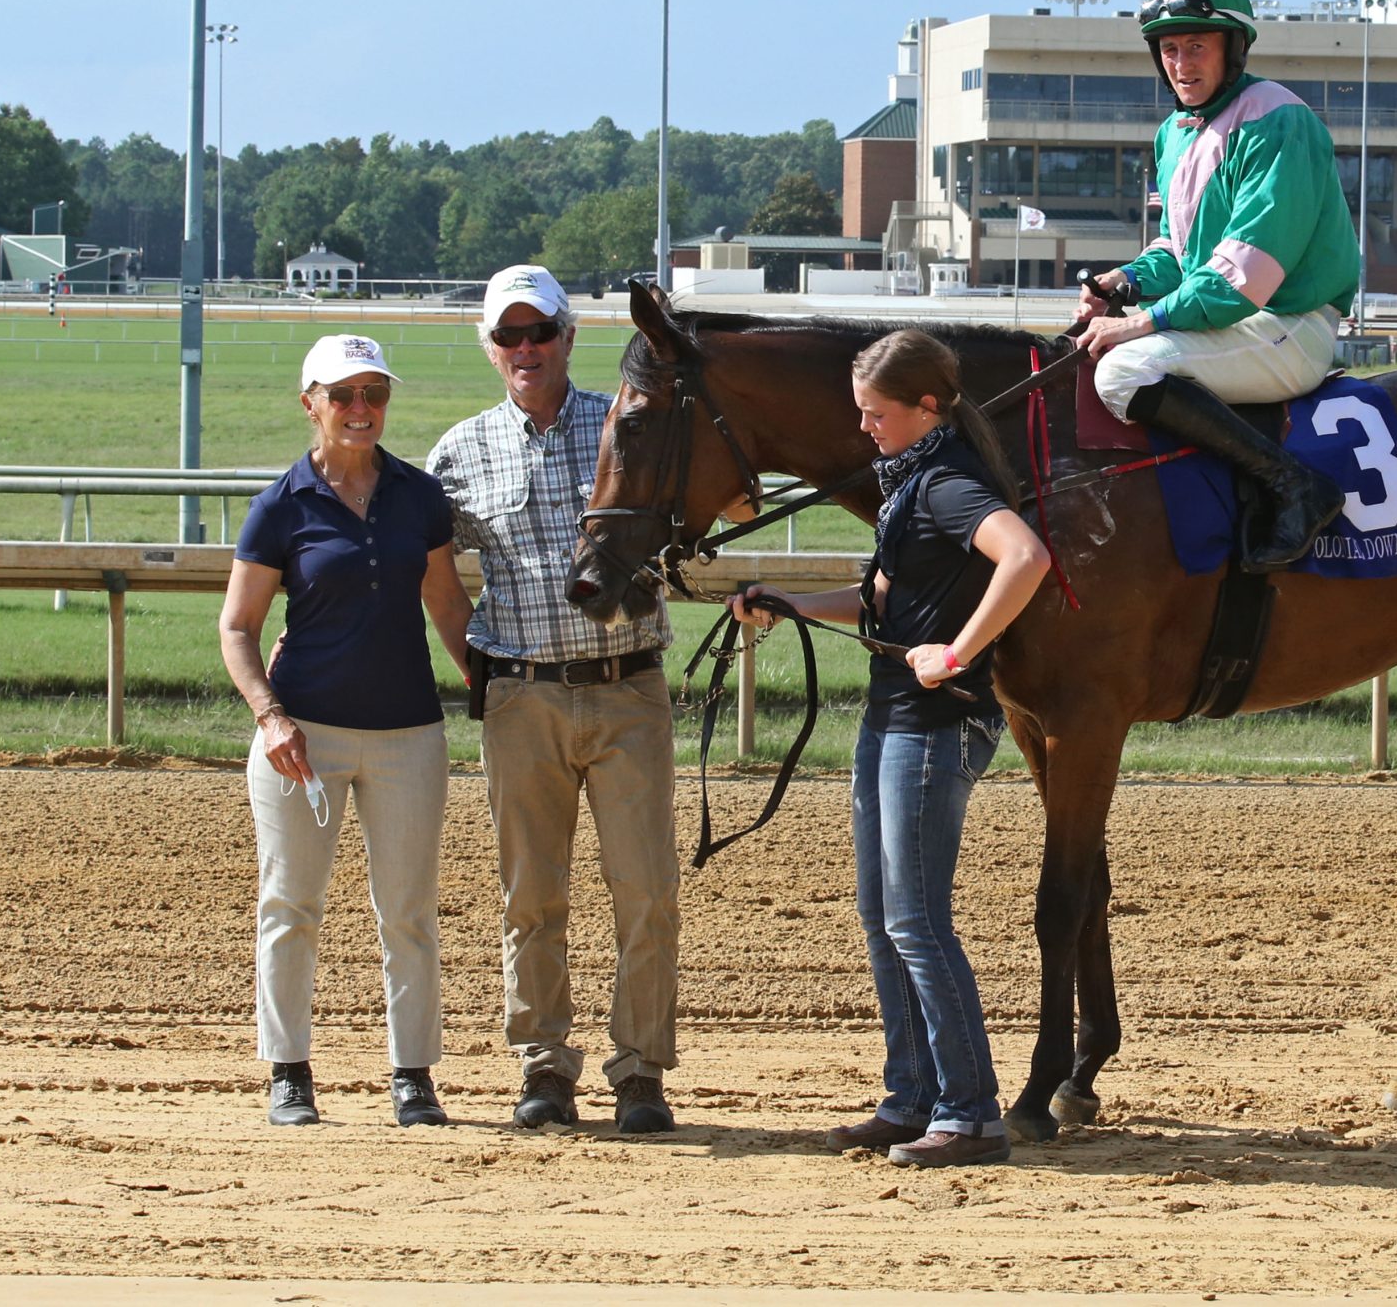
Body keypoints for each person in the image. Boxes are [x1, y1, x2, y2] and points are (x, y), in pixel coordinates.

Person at [732, 328, 1048, 1170]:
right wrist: (791, 602)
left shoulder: (947, 484)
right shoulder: (909, 480)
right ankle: (911, 1098)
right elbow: (878, 599)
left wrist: (961, 650)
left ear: (927, 408)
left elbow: (1026, 556)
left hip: (934, 726)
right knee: (883, 920)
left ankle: (972, 1112)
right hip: (892, 718)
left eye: (877, 413)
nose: (865, 426)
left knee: (916, 921)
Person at [426, 265, 679, 1135]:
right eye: (509, 336)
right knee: (531, 897)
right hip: (520, 700)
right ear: (491, 349)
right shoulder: (457, 453)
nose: (526, 348)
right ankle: (544, 1067)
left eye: (541, 332)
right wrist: (480, 668)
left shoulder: (628, 427)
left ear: (571, 337)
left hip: (627, 691)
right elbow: (438, 580)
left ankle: (641, 1071)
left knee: (645, 891)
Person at [218, 333, 472, 1128]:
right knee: (290, 904)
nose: (362, 410)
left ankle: (413, 1077)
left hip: (408, 735)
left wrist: (493, 688)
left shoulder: (418, 495)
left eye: (375, 393)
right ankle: (289, 1071)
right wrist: (271, 717)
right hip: (303, 735)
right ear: (311, 405)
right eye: (344, 395)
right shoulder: (279, 507)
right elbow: (237, 628)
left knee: (410, 910)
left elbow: (448, 607)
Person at [1072, 0, 1363, 571]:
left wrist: (1141, 322)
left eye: (1196, 46)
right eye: (1170, 49)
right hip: (1231, 322)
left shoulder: (1278, 120)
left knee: (1123, 371)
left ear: (1234, 47)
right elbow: (1179, 253)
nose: (1181, 64)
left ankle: (1295, 486)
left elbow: (1246, 273)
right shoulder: (1173, 133)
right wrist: (1121, 283)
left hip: (1287, 322)